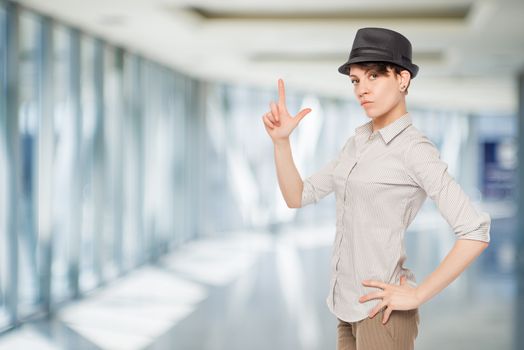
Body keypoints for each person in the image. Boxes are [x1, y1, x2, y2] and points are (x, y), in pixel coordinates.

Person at [261, 27, 491, 350]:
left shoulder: (415, 149)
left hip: (382, 314)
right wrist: (281, 143)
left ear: (402, 79)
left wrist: (417, 294)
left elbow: (475, 231)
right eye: (356, 80)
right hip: (345, 309)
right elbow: (297, 195)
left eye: (373, 76)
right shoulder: (356, 144)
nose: (361, 89)